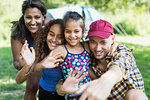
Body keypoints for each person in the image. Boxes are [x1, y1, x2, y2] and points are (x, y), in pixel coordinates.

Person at [76, 19, 148, 100]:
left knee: (135, 94)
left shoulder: (122, 53)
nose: (97, 48)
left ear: (113, 38)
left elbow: (119, 65)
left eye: (103, 42)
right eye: (93, 42)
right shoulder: (87, 54)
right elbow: (72, 46)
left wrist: (107, 80)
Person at [11, 0, 51, 99]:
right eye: (28, 17)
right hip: (33, 61)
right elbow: (16, 62)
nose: (33, 22)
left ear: (43, 16)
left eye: (37, 17)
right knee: (31, 87)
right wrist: (21, 64)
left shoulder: (51, 25)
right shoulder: (18, 30)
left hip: (51, 57)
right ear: (23, 17)